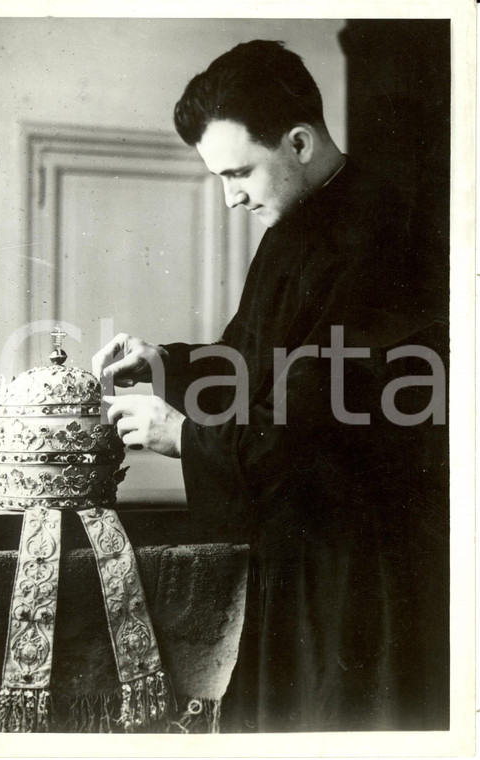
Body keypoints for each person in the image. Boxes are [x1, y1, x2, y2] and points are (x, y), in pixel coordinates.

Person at [92, 40, 449, 732]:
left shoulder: (382, 237)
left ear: (298, 141)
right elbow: (252, 363)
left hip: (361, 569)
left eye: (238, 173)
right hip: (307, 554)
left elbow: (312, 422)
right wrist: (163, 361)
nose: (230, 199)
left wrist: (185, 436)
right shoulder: (297, 226)